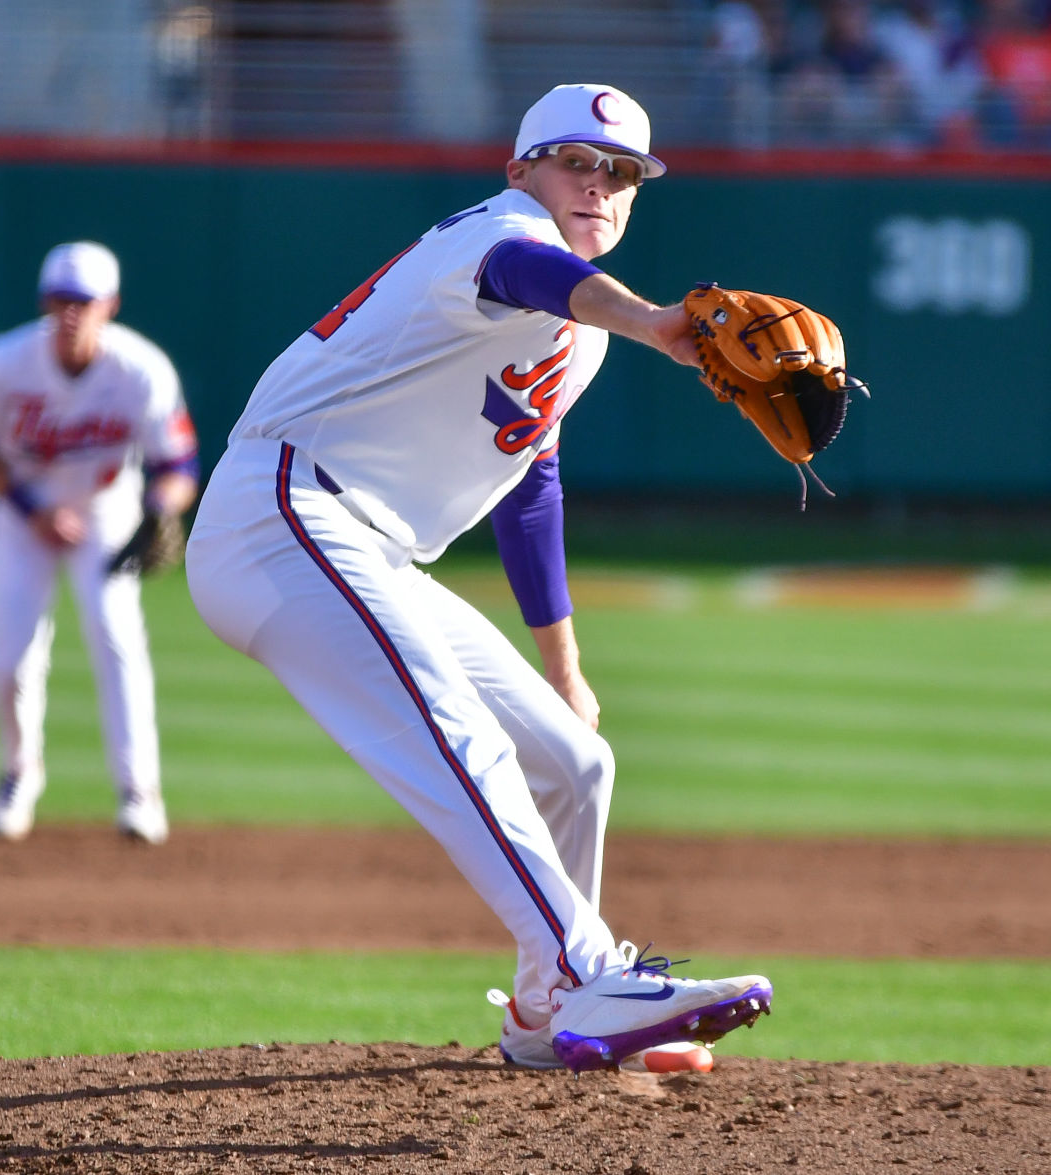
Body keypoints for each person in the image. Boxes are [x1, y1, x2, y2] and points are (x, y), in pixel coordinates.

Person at [185, 84, 773, 1073]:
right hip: (280, 511)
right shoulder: (489, 236)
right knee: (456, 726)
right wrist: (653, 319)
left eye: (621, 172)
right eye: (576, 161)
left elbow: (527, 480)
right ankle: (590, 968)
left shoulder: (577, 332)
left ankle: (548, 1015)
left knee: (575, 765)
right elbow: (529, 271)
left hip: (364, 547)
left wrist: (566, 664)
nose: (598, 183)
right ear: (521, 170)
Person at [0, 241, 199, 845]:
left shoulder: (142, 370)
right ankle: (17, 775)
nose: (70, 313)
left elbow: (179, 465)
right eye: (60, 299)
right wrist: (31, 509)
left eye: (83, 301)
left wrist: (160, 511)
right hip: (22, 514)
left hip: (107, 513)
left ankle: (140, 793)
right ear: (44, 301)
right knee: (11, 658)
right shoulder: (5, 362)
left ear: (109, 304)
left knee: (117, 642)